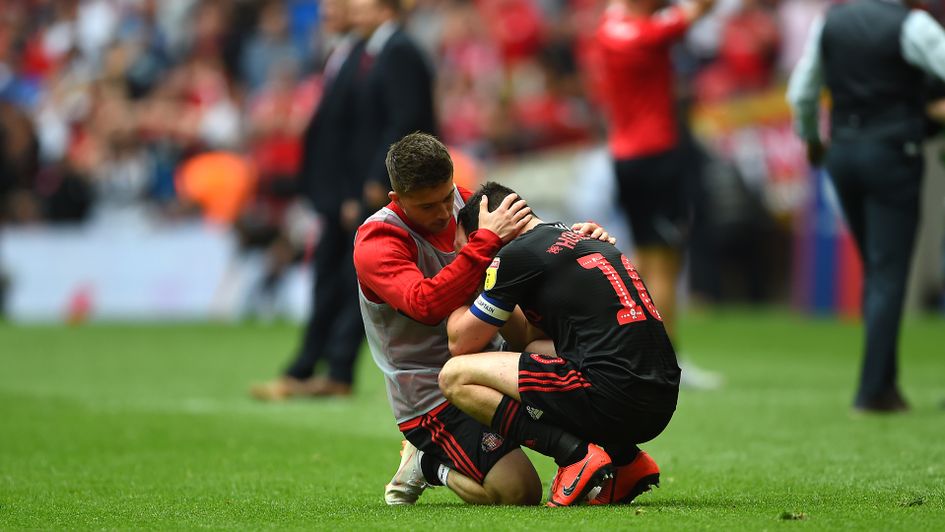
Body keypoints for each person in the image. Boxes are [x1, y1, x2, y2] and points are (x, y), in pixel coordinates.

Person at [353, 132, 614, 505]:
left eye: (446, 197)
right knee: (519, 493)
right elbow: (425, 305)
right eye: (427, 207)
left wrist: (580, 239)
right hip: (430, 395)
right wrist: (484, 244)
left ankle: (622, 456)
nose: (444, 212)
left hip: (490, 359)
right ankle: (427, 465)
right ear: (397, 200)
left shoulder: (468, 203)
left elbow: (535, 242)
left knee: (565, 350)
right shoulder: (378, 240)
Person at [441, 182, 680, 507]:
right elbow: (526, 338)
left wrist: (473, 265)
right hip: (660, 397)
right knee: (534, 352)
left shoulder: (516, 254)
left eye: (463, 247)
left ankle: (574, 455)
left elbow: (461, 342)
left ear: (482, 230)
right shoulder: (574, 236)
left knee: (455, 376)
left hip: (615, 397)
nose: (464, 257)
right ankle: (625, 461)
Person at [787, 0, 945, 413]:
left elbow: (802, 91)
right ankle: (874, 389)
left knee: (877, 271)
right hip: (893, 151)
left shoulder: (830, 23)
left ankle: (884, 383)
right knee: (888, 272)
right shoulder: (912, 24)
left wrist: (812, 139)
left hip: (843, 153)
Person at [595, 0, 720, 390]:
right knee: (664, 260)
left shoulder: (610, 24)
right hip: (657, 156)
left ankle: (644, 355)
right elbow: (698, 10)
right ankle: (670, 361)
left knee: (644, 257)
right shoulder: (649, 33)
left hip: (624, 155)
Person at [251, 0, 366, 400]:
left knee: (347, 283)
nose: (327, 10)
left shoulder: (363, 58)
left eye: (337, 5)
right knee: (328, 281)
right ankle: (310, 366)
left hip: (348, 194)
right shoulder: (339, 54)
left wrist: (355, 191)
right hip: (330, 193)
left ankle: (332, 370)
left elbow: (358, 134)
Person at [348, 0, 437, 212]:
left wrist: (381, 175)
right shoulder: (383, 49)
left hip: (401, 177)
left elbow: (404, 119)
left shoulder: (398, 50)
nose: (355, 19)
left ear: (385, 11)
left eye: (362, 13)